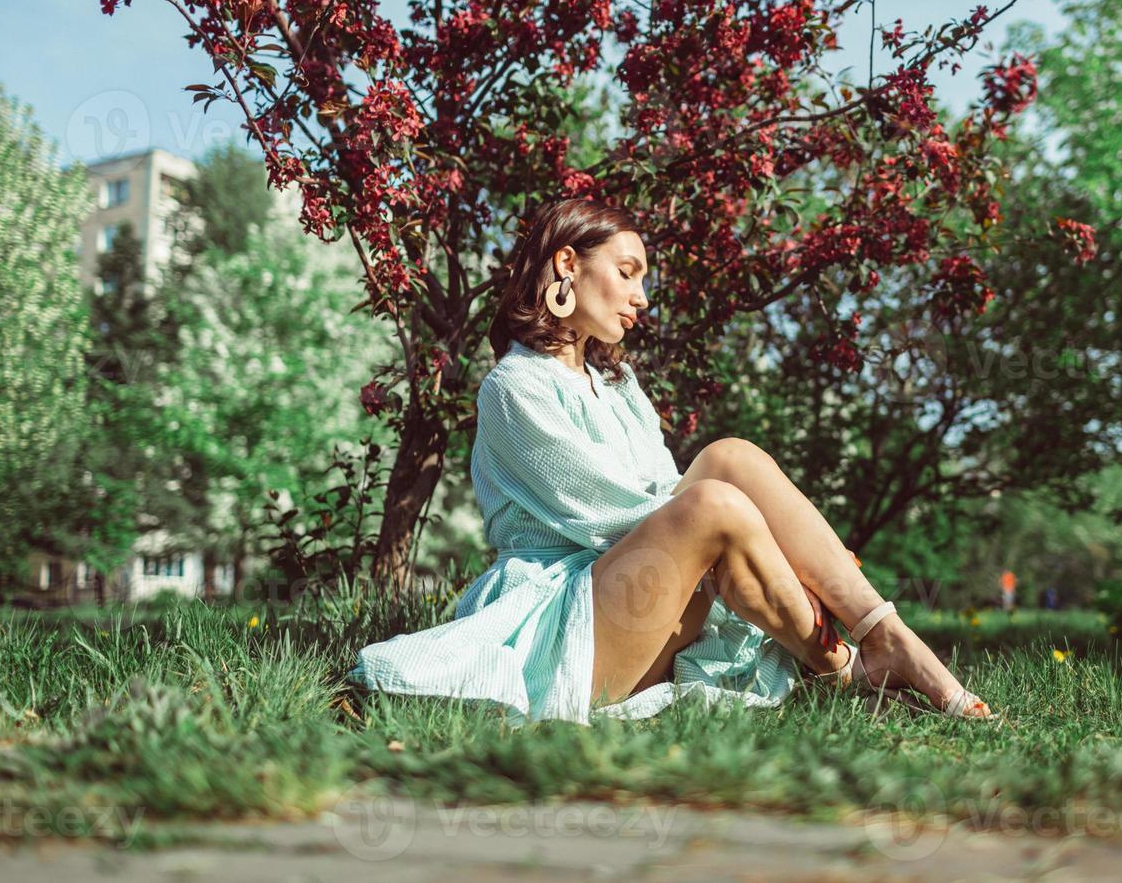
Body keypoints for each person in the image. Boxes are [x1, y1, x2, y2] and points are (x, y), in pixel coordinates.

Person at [349, 199, 995, 726]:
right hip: (570, 624)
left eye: (644, 279)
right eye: (627, 272)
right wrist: (770, 551)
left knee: (729, 459)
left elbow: (664, 497)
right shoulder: (514, 388)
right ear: (567, 264)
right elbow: (614, 518)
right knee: (716, 500)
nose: (642, 296)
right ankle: (849, 669)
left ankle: (883, 633)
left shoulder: (619, 387)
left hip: (643, 602)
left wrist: (765, 548)